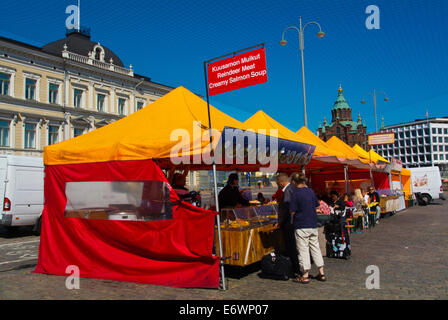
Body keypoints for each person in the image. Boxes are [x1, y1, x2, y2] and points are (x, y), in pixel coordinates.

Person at [289, 173, 326, 284]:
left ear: (295, 182)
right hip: (313, 224)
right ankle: (321, 272)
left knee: (303, 250)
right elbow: (317, 206)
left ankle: (305, 275)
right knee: (316, 248)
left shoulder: (296, 194)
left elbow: (292, 211)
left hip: (301, 225)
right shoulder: (311, 191)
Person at [276, 172, 300, 277]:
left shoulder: (288, 191)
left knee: (291, 246)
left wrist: (280, 222)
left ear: (281, 182)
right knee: (295, 246)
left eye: (278, 183)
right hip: (294, 221)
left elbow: (286, 209)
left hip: (289, 223)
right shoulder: (293, 188)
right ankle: (297, 267)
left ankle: (295, 269)